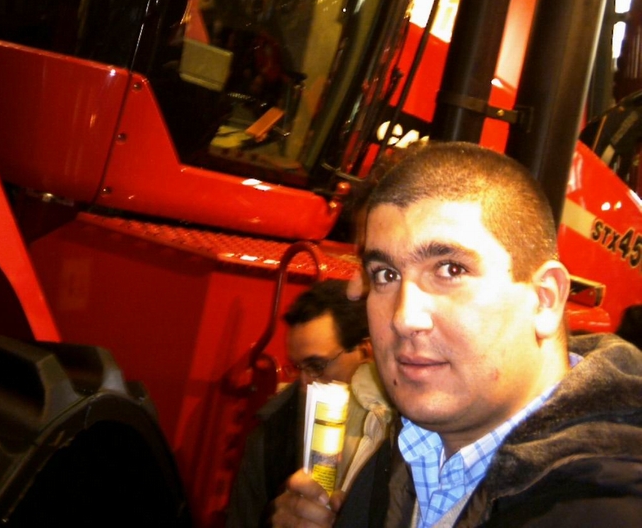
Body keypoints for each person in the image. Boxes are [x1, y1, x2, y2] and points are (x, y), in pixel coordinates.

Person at [271, 141, 642, 527]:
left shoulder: (611, 508)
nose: (404, 318)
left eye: (450, 269)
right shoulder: (400, 456)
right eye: (386, 274)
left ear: (544, 299)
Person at [227, 279, 391, 527]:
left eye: (317, 365)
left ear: (366, 352)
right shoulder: (272, 435)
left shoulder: (408, 427)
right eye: (297, 367)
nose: (305, 383)